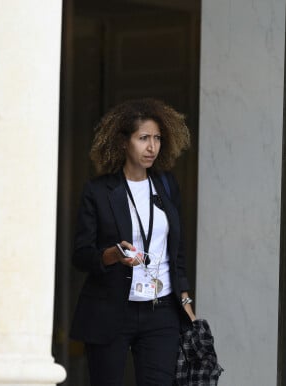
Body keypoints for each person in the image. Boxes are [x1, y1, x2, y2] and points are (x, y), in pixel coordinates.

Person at [70, 98, 196, 386]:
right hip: (111, 310)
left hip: (161, 310)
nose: (152, 147)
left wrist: (186, 300)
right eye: (143, 139)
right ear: (124, 142)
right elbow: (80, 254)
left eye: (157, 139)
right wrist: (112, 255)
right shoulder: (99, 191)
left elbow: (176, 253)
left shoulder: (166, 185)